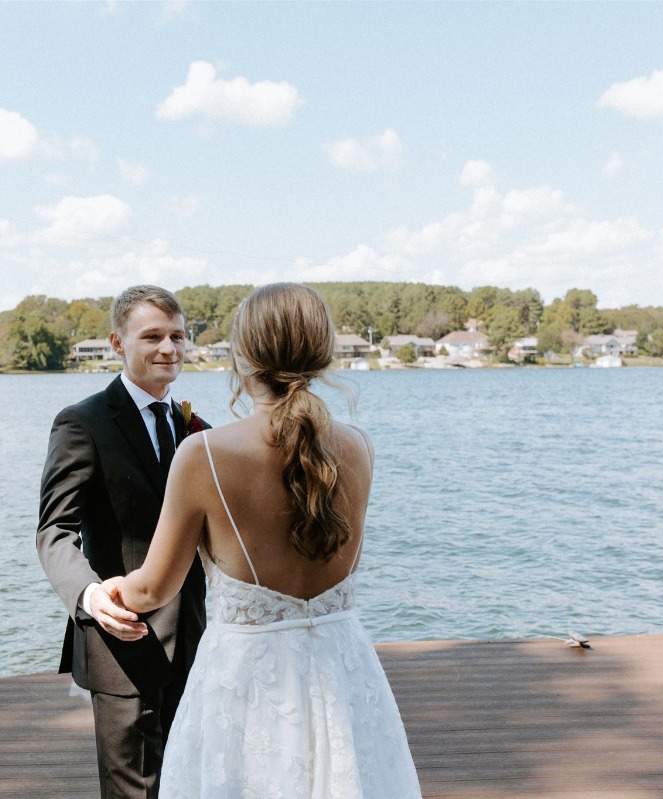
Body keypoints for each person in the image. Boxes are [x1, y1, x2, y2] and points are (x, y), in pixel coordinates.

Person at [101, 283, 423, 798]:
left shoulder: (203, 453)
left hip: (249, 685)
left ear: (242, 355)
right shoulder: (360, 447)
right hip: (344, 671)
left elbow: (151, 592)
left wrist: (103, 592)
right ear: (322, 354)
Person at [37, 285, 208, 799]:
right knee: (133, 791)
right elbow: (54, 532)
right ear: (117, 342)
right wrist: (89, 598)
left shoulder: (196, 430)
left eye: (178, 336)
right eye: (152, 336)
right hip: (122, 637)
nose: (169, 349)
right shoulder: (82, 422)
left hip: (197, 641)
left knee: (188, 779)